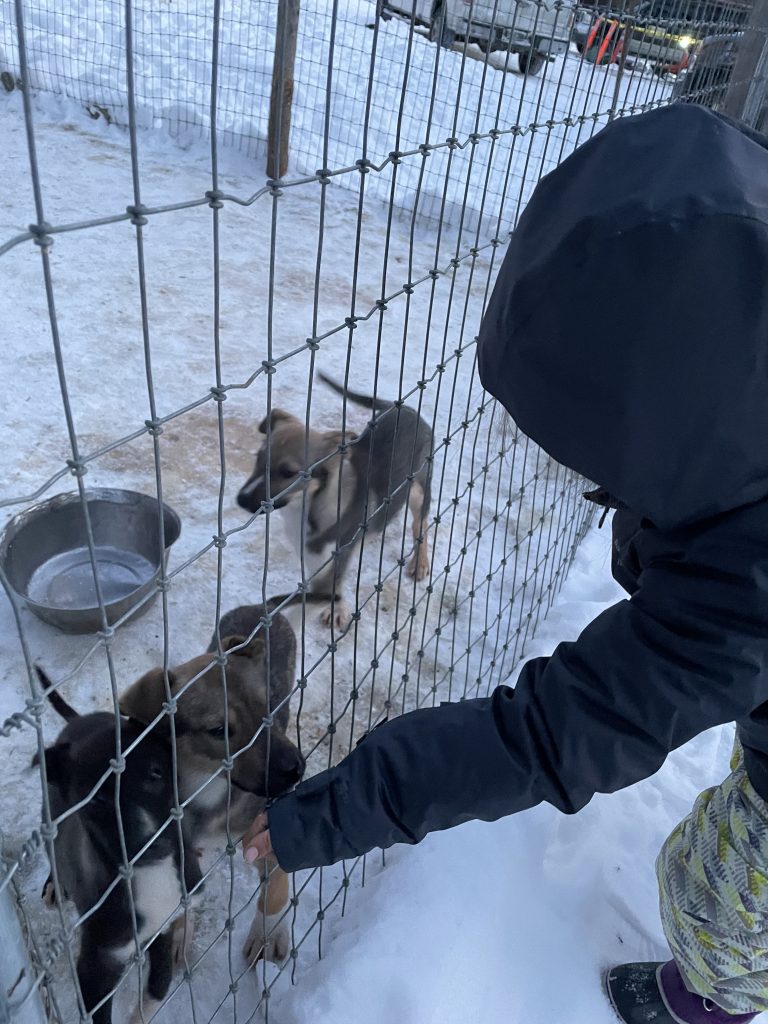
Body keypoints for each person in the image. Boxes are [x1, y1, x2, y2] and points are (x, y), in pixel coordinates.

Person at [242, 104, 768, 1024]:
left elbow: (547, 733)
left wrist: (323, 816)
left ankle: (715, 1001)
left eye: (596, 447)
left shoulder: (746, 583)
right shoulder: (741, 414)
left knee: (716, 886)